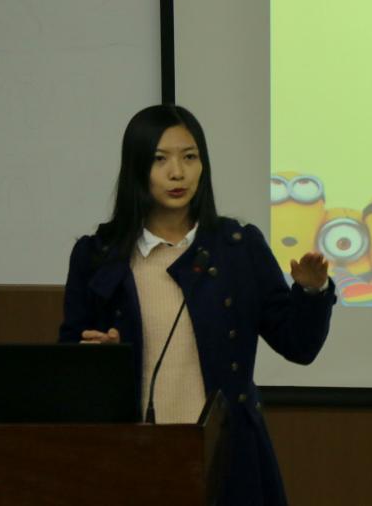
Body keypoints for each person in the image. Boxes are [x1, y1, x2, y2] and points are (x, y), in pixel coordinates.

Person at [58, 104, 336, 506]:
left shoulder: (237, 247)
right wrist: (99, 359)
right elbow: (68, 363)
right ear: (136, 167)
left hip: (226, 456)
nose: (178, 173)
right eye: (160, 159)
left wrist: (312, 293)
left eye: (189, 157)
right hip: (131, 458)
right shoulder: (98, 255)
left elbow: (299, 346)